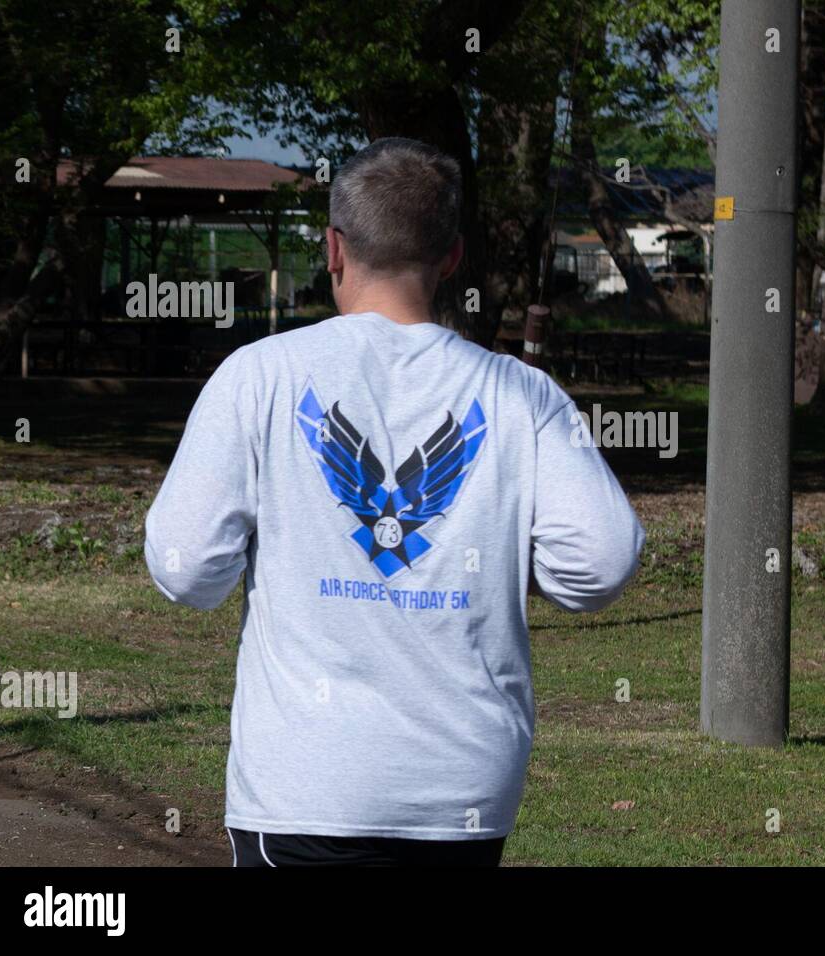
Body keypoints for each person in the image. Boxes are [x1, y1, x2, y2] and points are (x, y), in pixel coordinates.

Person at [144, 137, 645, 866]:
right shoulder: (520, 393)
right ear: (451, 258)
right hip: (462, 796)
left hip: (304, 790)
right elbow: (601, 563)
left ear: (334, 249)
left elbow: (187, 570)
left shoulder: (257, 376)